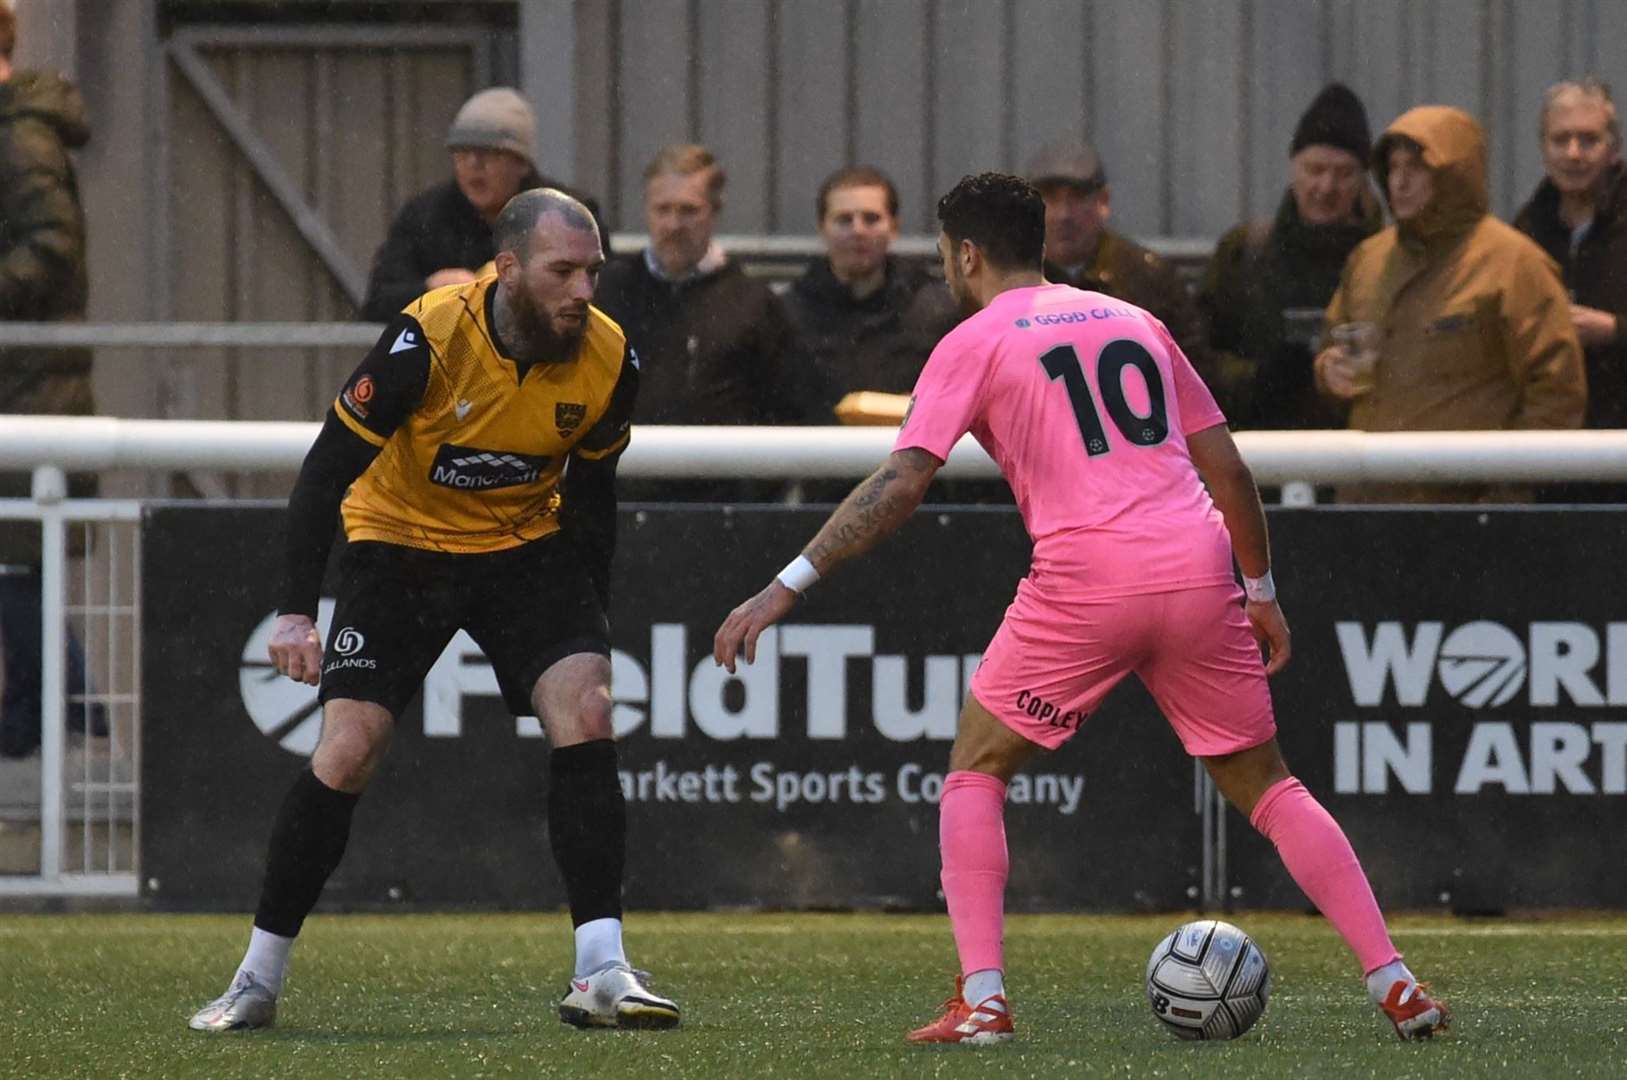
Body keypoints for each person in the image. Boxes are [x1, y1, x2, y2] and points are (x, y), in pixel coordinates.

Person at [713, 173, 1450, 1045]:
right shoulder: (1134, 319)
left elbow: (901, 480)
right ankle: (1395, 983)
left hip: (1087, 576)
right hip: (1197, 562)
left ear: (968, 253)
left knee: (975, 768)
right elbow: (1230, 471)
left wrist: (787, 581)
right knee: (1269, 786)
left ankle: (982, 1001)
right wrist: (1260, 590)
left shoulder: (972, 338)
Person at [188, 190, 680, 1033]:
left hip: (524, 548)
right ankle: (256, 979)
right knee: (349, 749)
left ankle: (601, 969)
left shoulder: (609, 358)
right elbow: (325, 469)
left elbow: (593, 496)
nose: (583, 290)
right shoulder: (429, 337)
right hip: (399, 546)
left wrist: (588, 620)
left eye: (592, 271)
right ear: (509, 268)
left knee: (588, 707)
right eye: (563, 271)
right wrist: (293, 613)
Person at [1314, 106, 1586, 503]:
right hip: (1369, 501)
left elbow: (1557, 390)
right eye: (1392, 168)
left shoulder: (1515, 264)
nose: (1400, 182)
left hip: (1471, 506)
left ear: (1454, 174)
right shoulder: (1368, 260)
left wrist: (1508, 494)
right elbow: (1331, 345)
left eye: (1418, 168)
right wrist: (1329, 371)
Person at [0, 0, 103, 759]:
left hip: (28, 385)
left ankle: (65, 713)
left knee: (16, 567)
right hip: (25, 379)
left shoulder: (21, 139)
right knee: (17, 567)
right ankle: (60, 712)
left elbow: (52, 251)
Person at [595, 143, 797, 500]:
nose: (674, 224)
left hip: (723, 511)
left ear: (715, 213)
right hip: (619, 502)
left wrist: (755, 497)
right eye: (663, 209)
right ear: (647, 210)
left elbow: (785, 409)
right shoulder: (607, 293)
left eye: (688, 210)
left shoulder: (754, 303)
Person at [1199, 84, 1383, 429]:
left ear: (1363, 180)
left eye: (1343, 174)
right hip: (1263, 457)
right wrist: (1259, 379)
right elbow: (1195, 361)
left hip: (1360, 459)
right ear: (1293, 168)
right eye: (1314, 169)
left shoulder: (1385, 260)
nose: (1325, 188)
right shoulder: (1245, 253)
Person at [360, 87, 604, 321]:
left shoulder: (569, 214)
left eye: (491, 154)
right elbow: (378, 302)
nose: (474, 165)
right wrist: (431, 290)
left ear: (522, 163)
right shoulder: (425, 216)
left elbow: (602, 296)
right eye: (462, 153)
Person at [1514, 78, 1627, 500]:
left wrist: (1615, 330)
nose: (1574, 153)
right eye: (1561, 140)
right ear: (1543, 149)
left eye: (1589, 139)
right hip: (1551, 460)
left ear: (1613, 148)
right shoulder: (1524, 230)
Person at [1026, 139, 1215, 387]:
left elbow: (1192, 375)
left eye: (1077, 198)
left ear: (1103, 201)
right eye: (1050, 199)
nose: (1063, 215)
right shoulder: (1010, 279)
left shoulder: (1148, 278)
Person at [781, 165, 958, 417]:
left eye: (871, 219)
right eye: (844, 220)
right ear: (822, 228)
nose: (858, 231)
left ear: (894, 227)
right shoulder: (787, 316)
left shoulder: (937, 311)